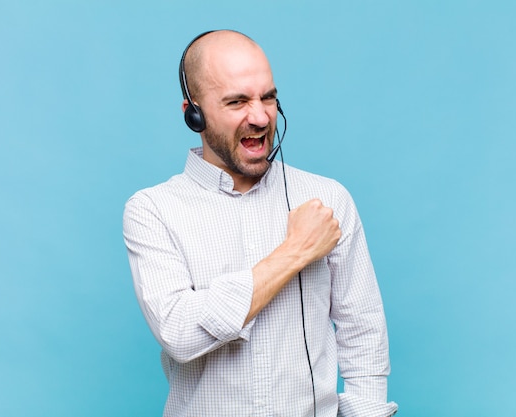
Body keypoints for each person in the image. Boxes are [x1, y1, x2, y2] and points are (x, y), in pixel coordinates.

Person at [123, 29, 398, 417]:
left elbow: (363, 330)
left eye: (268, 97)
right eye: (237, 101)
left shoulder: (327, 199)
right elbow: (180, 333)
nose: (260, 116)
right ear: (193, 114)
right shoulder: (153, 210)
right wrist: (294, 251)